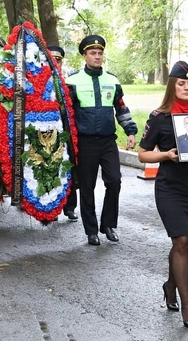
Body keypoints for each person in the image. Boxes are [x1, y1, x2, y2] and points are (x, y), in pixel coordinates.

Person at [137, 61, 188, 329]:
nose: (186, 88)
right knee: (181, 241)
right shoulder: (159, 117)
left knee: (182, 244)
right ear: (172, 86)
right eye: (181, 83)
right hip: (169, 186)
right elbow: (143, 153)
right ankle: (187, 304)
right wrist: (165, 155)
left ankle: (170, 285)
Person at [65, 35, 138, 246]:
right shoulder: (73, 81)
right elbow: (66, 113)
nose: (97, 57)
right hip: (85, 142)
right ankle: (91, 230)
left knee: (114, 181)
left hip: (107, 141)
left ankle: (108, 224)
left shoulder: (112, 81)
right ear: (84, 55)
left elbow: (121, 108)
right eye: (92, 53)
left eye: (99, 53)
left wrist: (130, 131)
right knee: (87, 187)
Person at [48, 44, 79, 222]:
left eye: (58, 60)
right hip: (48, 132)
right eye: (51, 59)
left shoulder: (69, 86)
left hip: (66, 132)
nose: (55, 63)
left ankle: (69, 207)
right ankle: (53, 205)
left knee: (68, 168)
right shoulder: (40, 83)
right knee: (51, 168)